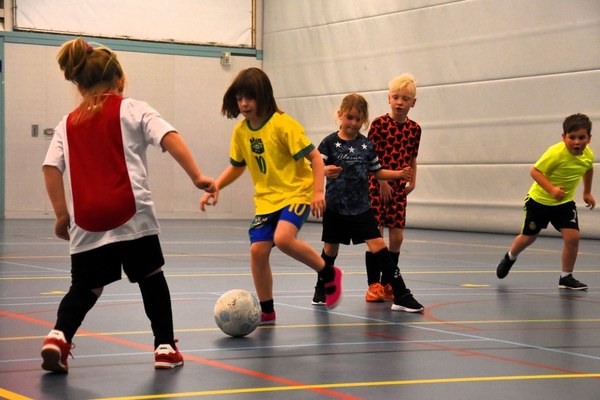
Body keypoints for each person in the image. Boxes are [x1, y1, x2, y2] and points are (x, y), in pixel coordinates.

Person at [41, 38, 216, 373]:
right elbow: (170, 137)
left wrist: (62, 213)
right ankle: (164, 347)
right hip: (131, 214)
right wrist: (196, 176)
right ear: (120, 79)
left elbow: (51, 167)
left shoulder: (66, 122)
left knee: (85, 287)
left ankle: (58, 336)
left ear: (79, 85)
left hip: (88, 221)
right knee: (151, 278)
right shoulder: (134, 108)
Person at [200, 67, 343, 325]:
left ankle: (328, 272)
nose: (244, 104)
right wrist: (217, 185)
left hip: (296, 192)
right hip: (266, 201)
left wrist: (318, 191)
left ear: (263, 96)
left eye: (250, 97)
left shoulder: (282, 124)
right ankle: (267, 310)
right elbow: (237, 165)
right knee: (257, 251)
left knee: (284, 238)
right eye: (240, 98)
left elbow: (315, 158)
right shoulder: (241, 132)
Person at [310, 93, 424, 312]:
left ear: (364, 121)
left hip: (362, 208)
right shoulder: (329, 143)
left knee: (378, 245)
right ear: (340, 115)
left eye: (358, 119)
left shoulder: (366, 145)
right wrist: (324, 171)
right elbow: (313, 169)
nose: (353, 123)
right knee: (330, 250)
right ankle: (320, 287)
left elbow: (378, 171)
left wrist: (399, 173)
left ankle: (401, 294)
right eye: (350, 118)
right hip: (336, 208)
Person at [496, 113, 595, 289]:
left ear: (589, 138)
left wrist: (587, 192)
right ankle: (510, 256)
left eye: (581, 137)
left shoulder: (588, 155)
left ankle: (566, 277)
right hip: (539, 202)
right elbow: (535, 171)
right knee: (528, 238)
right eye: (572, 138)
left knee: (573, 238)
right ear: (563, 137)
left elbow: (588, 169)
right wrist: (551, 189)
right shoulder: (555, 153)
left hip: (563, 204)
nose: (577, 142)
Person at [366, 73, 421, 302]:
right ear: (389, 98)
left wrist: (413, 180)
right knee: (376, 235)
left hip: (398, 189)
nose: (400, 102)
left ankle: (389, 283)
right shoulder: (379, 124)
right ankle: (374, 285)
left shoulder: (415, 129)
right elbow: (369, 155)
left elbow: (412, 157)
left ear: (413, 103)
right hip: (377, 186)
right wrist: (381, 181)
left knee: (396, 237)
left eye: (405, 99)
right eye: (396, 97)